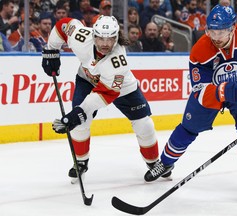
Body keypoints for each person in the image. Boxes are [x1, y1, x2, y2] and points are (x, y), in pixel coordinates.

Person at [144, 4, 237, 194]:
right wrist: (224, 91)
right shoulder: (200, 50)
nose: (217, 38)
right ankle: (165, 163)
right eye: (212, 32)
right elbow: (199, 90)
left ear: (233, 28)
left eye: (222, 32)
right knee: (188, 128)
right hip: (211, 91)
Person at [41, 15, 165, 183]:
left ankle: (153, 163)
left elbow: (106, 93)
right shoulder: (81, 37)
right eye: (100, 38)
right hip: (86, 79)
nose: (105, 43)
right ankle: (81, 162)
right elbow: (63, 26)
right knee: (80, 124)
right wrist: (51, 51)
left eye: (111, 39)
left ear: (116, 37)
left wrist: (79, 111)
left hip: (122, 89)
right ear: (93, 35)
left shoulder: (118, 62)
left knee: (144, 124)